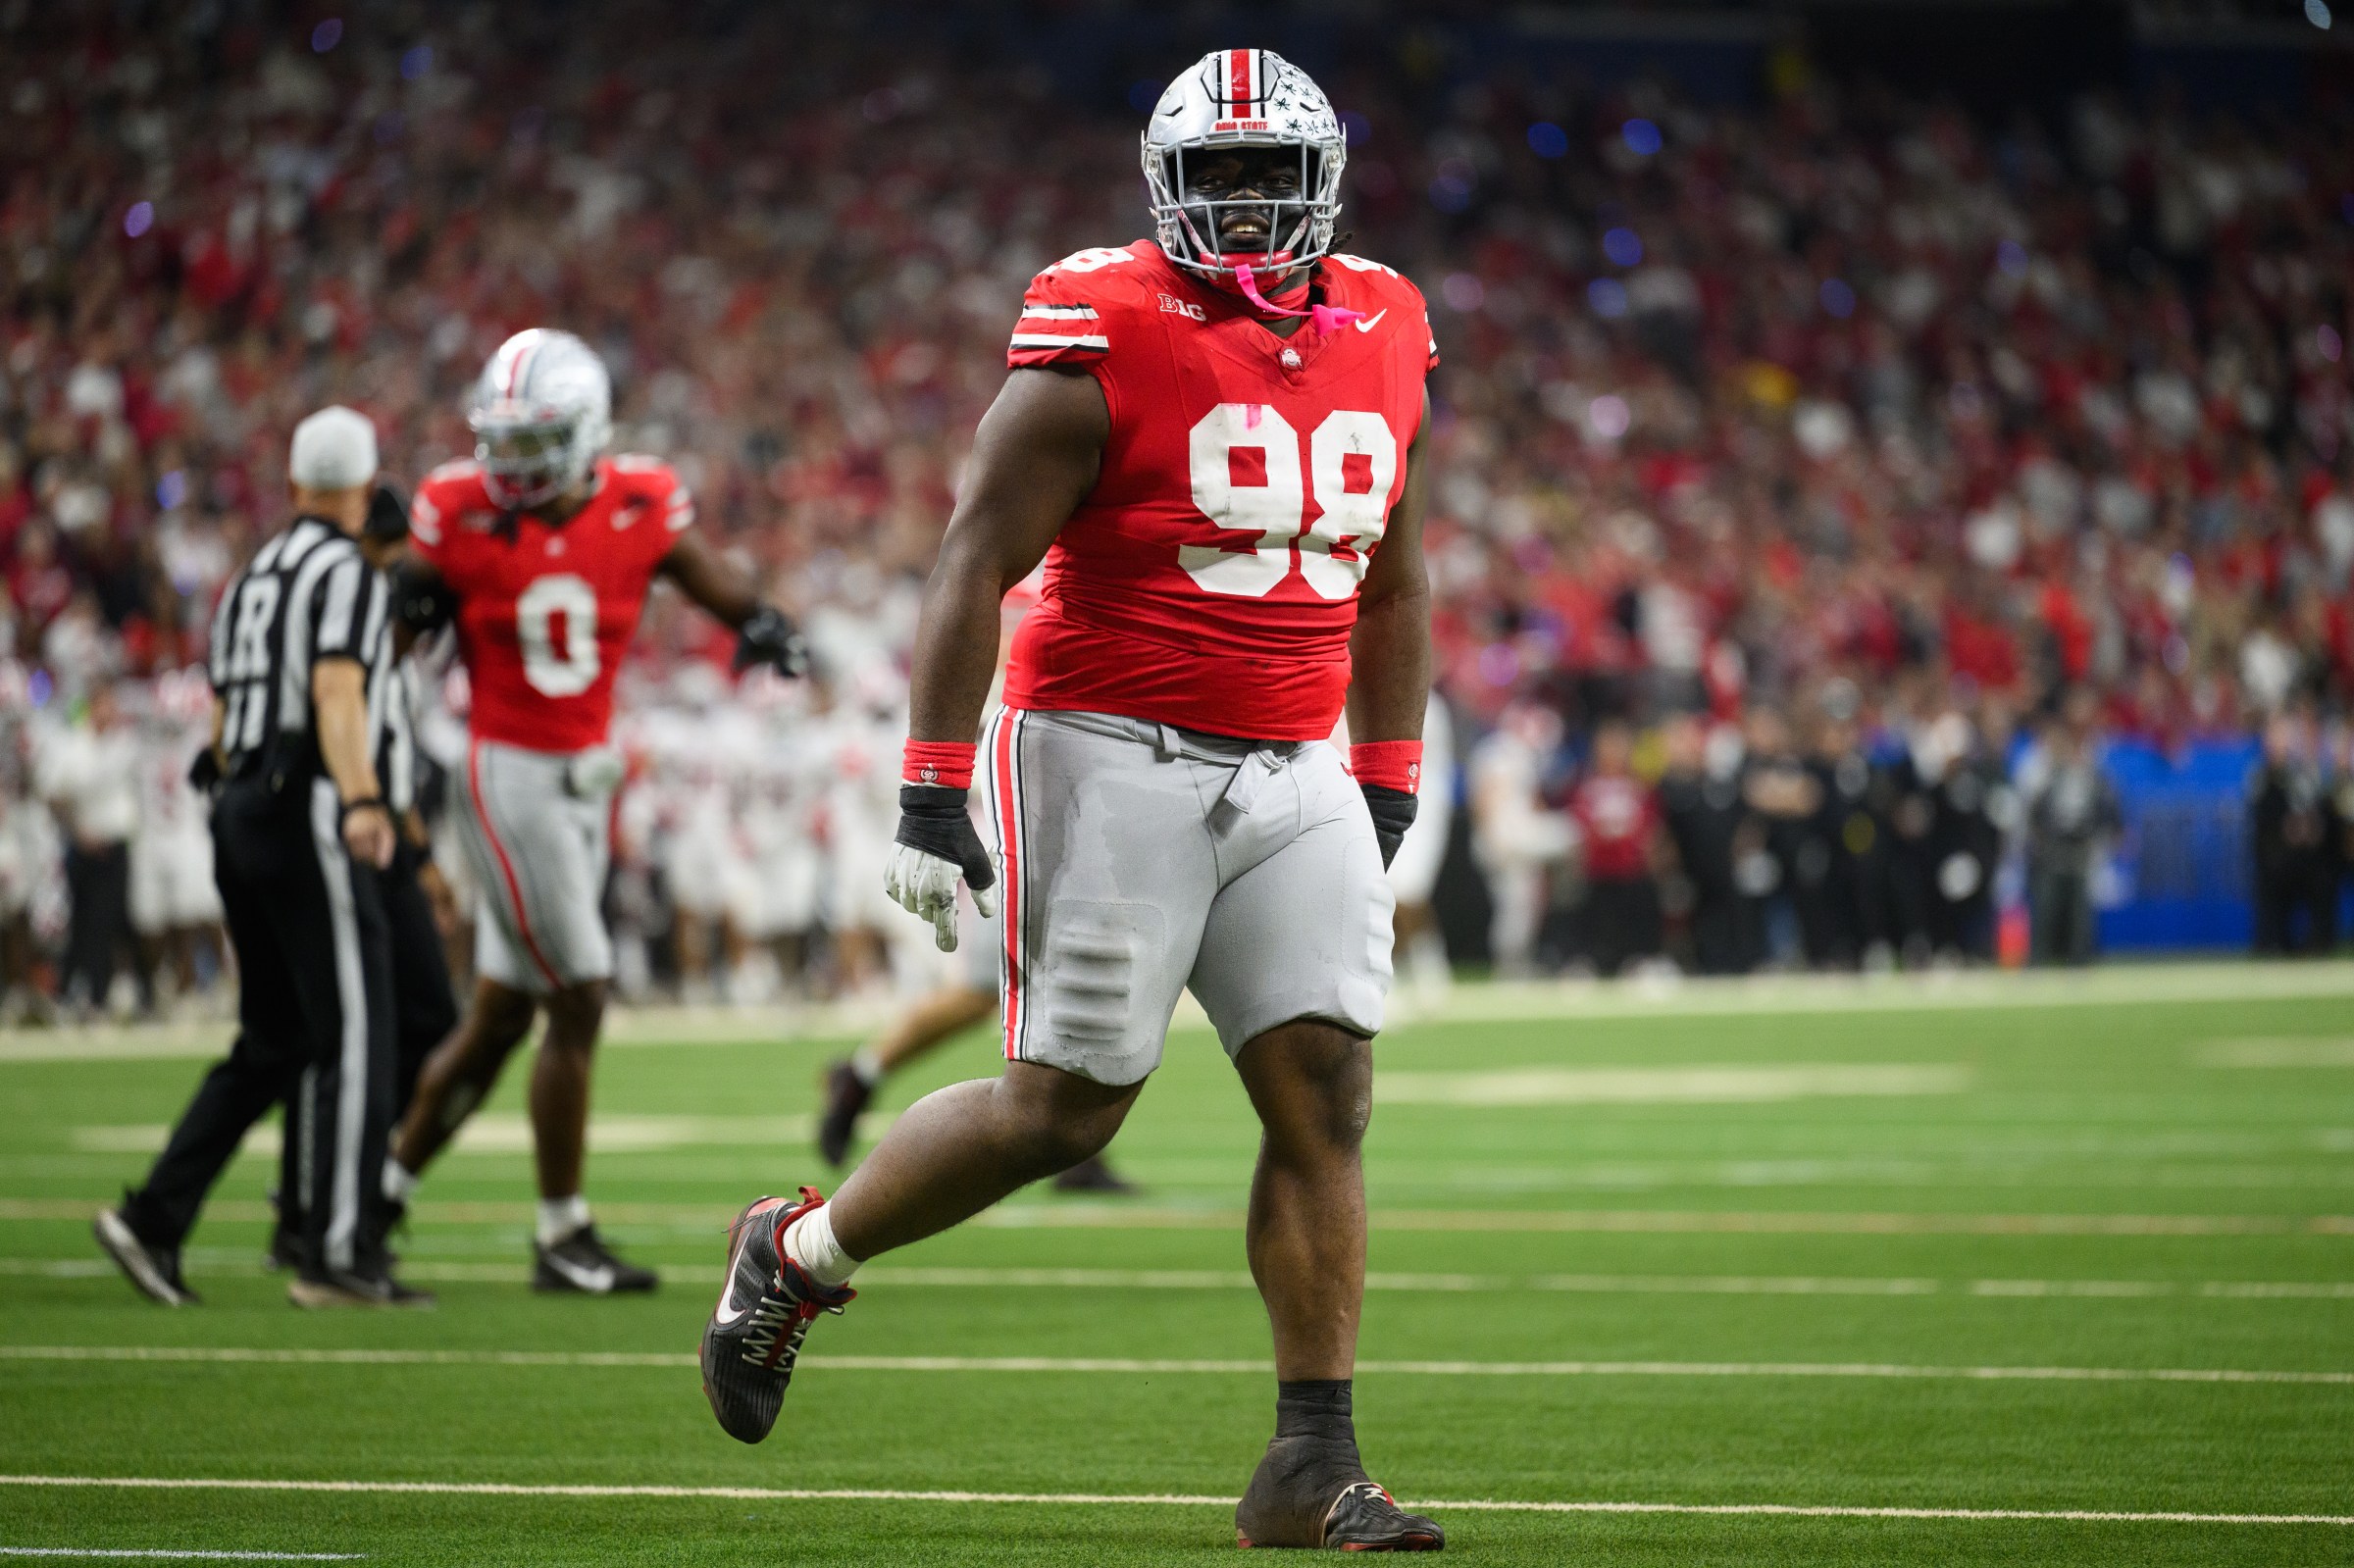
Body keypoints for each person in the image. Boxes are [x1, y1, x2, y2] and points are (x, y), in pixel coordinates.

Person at [699, 51, 1445, 1551]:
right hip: (1106, 744)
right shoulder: (1102, 319)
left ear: (1324, 181)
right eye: (1214, 177)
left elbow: (1394, 572)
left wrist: (1384, 770)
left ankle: (1313, 1458)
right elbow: (971, 553)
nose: (1244, 207)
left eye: (1269, 175)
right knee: (1068, 1105)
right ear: (1165, 186)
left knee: (1327, 1092)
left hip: (1293, 758)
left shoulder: (1388, 317)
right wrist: (927, 783)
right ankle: (797, 1249)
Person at [384, 329, 809, 1294]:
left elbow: (708, 575)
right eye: (507, 441)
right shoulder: (456, 507)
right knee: (578, 990)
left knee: (500, 1018)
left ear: (586, 434)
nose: (516, 464)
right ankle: (561, 1232)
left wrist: (763, 622)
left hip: (583, 772)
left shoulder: (640, 497)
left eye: (538, 442)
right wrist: (404, 597)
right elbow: (398, 620)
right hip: (508, 770)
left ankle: (379, 1191)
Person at [93, 406, 425, 1307]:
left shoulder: (251, 574)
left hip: (234, 804)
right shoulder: (347, 568)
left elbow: (221, 707)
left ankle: (154, 1217)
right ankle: (338, 1252)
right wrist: (361, 797)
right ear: (361, 488)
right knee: (357, 1028)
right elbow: (335, 687)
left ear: (291, 484)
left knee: (276, 1038)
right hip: (303, 800)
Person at [816, 571, 1132, 1190]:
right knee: (1003, 986)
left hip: (1058, 791)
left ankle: (1075, 1147)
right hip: (1026, 796)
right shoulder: (1031, 582)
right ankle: (862, 1073)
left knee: (1066, 982)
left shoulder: (1048, 575)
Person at [270, 484, 462, 1267]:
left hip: (380, 840)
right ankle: (316, 1210)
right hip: (342, 837)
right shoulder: (338, 627)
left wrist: (421, 857)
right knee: (342, 1037)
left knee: (409, 1028)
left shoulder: (380, 641)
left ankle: (341, 1190)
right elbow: (356, 752)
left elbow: (390, 757)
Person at [38, 682, 143, 1016]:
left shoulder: (125, 743)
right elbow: (53, 795)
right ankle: (69, 993)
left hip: (115, 844)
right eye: (101, 705)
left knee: (112, 921)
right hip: (81, 845)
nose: (107, 712)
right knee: (80, 922)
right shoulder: (72, 744)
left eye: (111, 705)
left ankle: (103, 995)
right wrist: (77, 831)